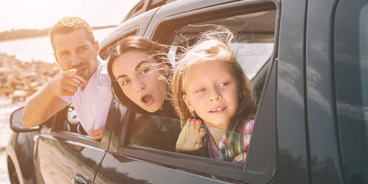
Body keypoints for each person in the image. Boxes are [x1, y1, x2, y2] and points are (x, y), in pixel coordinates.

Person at [171, 27, 256, 163]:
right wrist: (183, 151)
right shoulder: (199, 138)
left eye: (223, 84)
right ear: (188, 103)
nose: (214, 96)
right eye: (200, 90)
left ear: (239, 88)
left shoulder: (251, 130)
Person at [22, 16, 112, 140]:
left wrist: (117, 129)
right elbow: (28, 121)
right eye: (65, 54)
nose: (75, 61)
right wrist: (49, 89)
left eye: (82, 49)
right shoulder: (72, 82)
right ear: (56, 58)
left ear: (96, 48)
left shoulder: (114, 76)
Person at [107, 36, 176, 118]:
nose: (138, 87)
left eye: (144, 71)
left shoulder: (191, 106)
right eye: (125, 81)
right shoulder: (142, 119)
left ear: (164, 67)